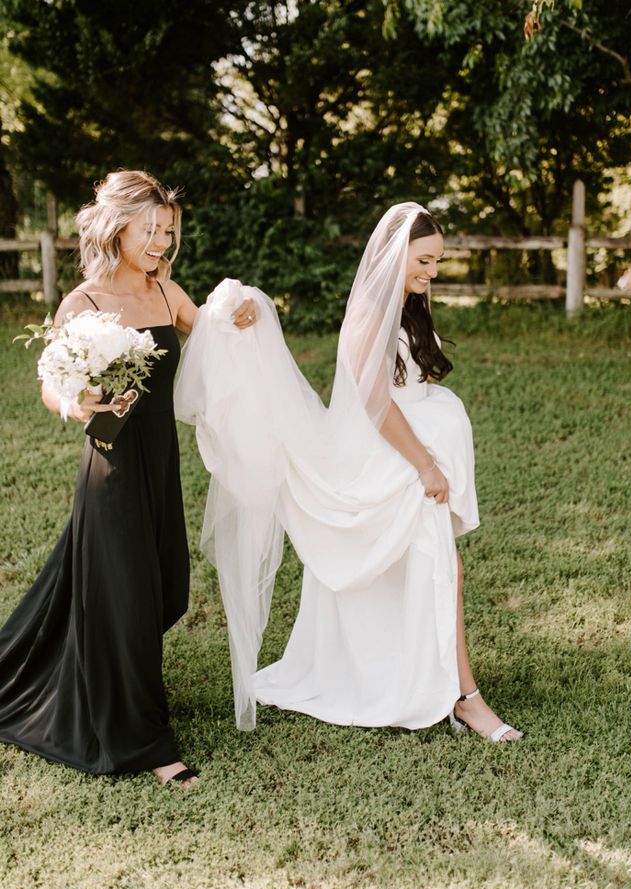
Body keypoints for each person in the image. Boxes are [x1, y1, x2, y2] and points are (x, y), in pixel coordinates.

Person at [176, 202, 521, 742]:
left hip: (401, 458)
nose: (431, 273)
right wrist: (427, 466)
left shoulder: (405, 305)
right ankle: (466, 699)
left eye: (437, 263)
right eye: (424, 261)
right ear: (397, 252)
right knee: (444, 568)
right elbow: (375, 402)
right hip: (391, 465)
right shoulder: (367, 313)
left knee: (432, 570)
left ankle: (419, 678)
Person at [0, 170, 256, 788]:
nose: (162, 243)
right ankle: (146, 741)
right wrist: (75, 402)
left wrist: (242, 314)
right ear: (118, 228)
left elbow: (217, 332)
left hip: (161, 463)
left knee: (164, 588)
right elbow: (49, 384)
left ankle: (60, 669)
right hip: (110, 468)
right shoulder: (82, 304)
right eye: (151, 230)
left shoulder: (167, 292)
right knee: (127, 598)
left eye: (168, 232)